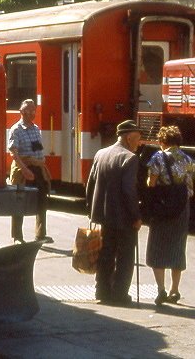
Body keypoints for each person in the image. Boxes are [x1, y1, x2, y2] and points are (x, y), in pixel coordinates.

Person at [86, 120, 143, 306]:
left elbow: (90, 185)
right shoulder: (130, 158)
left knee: (106, 252)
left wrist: (90, 209)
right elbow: (128, 190)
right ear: (128, 138)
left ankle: (102, 291)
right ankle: (119, 294)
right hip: (123, 217)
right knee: (126, 256)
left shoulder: (101, 153)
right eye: (137, 139)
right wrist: (136, 216)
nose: (139, 143)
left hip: (103, 215)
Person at [145, 125, 193, 306]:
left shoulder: (158, 157)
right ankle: (175, 290)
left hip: (163, 207)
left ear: (162, 141)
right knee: (177, 247)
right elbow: (190, 187)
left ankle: (161, 289)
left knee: (158, 247)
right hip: (182, 208)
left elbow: (152, 182)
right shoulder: (188, 159)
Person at [8, 99, 52, 243]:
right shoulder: (16, 130)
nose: (32, 114)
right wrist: (25, 169)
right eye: (29, 111)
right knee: (19, 202)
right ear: (21, 112)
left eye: (34, 111)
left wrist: (40, 164)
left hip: (37, 168)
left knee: (42, 200)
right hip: (23, 169)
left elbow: (37, 149)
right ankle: (17, 236)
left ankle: (40, 234)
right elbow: (13, 153)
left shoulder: (36, 129)